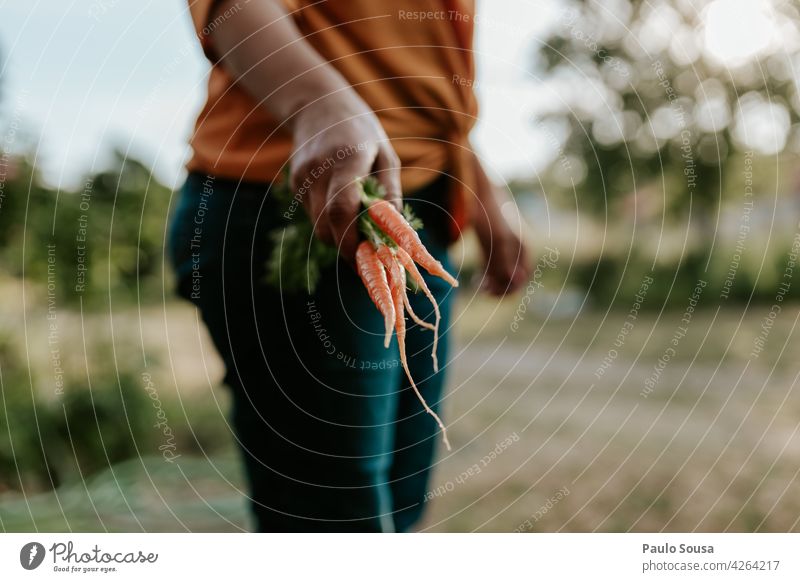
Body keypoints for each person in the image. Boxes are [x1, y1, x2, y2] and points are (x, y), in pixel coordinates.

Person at [169, 0, 529, 532]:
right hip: (295, 197)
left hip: (416, 204)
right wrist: (315, 99)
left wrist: (479, 184)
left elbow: (416, 69)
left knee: (400, 505)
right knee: (336, 520)